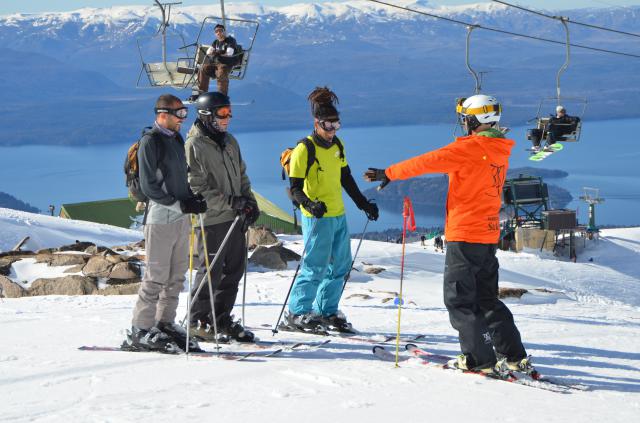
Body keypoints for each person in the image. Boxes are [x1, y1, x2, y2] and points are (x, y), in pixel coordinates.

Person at [364, 94, 532, 375]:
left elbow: (428, 161)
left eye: (465, 119)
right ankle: (514, 355)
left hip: (465, 233)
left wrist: (390, 172)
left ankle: (480, 360)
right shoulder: (498, 148)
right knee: (487, 299)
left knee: (460, 300)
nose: (463, 124)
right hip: (488, 234)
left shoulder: (472, 148)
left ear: (474, 121)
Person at [282, 86, 379, 333]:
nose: (332, 131)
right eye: (328, 126)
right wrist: (308, 204)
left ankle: (326, 310)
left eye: (337, 125)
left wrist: (363, 204)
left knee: (341, 266)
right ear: (317, 124)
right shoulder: (305, 149)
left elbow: (346, 178)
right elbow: (294, 188)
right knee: (315, 265)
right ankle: (297, 312)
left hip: (337, 214)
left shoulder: (337, 146)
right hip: (316, 217)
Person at [124, 94, 208, 353]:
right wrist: (181, 204)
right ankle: (140, 328)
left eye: (185, 113)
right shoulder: (151, 142)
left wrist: (192, 199)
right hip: (160, 219)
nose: (183, 119)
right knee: (156, 276)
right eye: (179, 114)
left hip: (181, 219)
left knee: (176, 275)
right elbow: (150, 187)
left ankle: (164, 322)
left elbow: (179, 179)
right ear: (162, 114)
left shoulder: (176, 138)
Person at [185, 91, 260, 343]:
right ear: (206, 115)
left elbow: (241, 175)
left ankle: (220, 318)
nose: (228, 118)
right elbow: (196, 187)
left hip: (235, 217)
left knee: (234, 271)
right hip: (212, 220)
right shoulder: (194, 146)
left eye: (229, 113)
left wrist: (249, 201)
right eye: (222, 113)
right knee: (210, 272)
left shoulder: (229, 141)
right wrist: (229, 201)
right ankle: (198, 320)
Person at [195, 24, 239, 97]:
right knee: (203, 68)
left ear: (224, 32)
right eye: (216, 31)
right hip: (215, 63)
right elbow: (208, 52)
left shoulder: (230, 41)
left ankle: (222, 95)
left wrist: (218, 53)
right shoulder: (216, 42)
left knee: (221, 72)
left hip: (226, 63)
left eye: (220, 31)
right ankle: (202, 93)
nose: (218, 33)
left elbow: (229, 53)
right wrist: (215, 53)